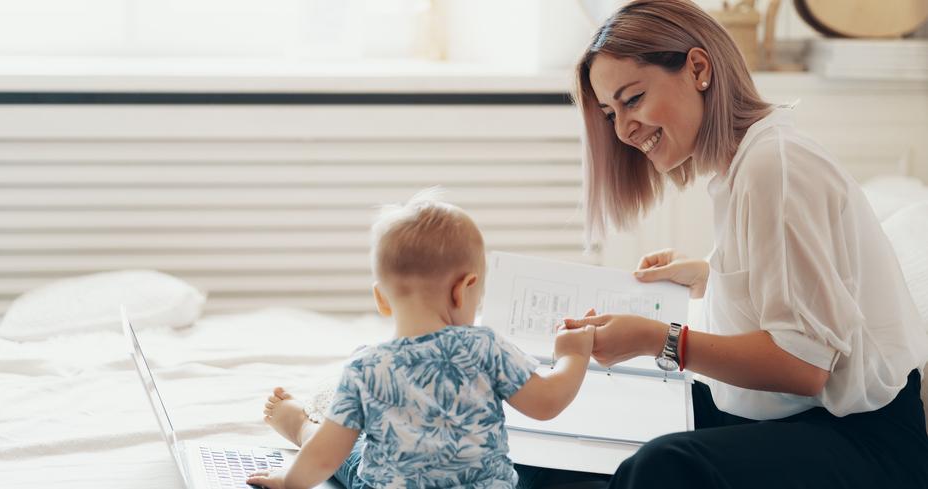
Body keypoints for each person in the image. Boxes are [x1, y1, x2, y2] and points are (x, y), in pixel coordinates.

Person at [559, 0, 928, 488]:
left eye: (632, 100)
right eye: (610, 113)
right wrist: (709, 277)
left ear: (697, 68)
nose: (623, 129)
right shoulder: (744, 165)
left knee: (661, 465)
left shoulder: (775, 168)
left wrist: (658, 338)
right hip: (797, 417)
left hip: (862, 441)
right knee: (579, 428)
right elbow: (802, 291)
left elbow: (803, 364)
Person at [244, 189, 597, 489]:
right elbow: (547, 402)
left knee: (348, 449)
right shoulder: (487, 347)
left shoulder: (365, 367)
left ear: (381, 298)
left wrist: (286, 481)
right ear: (464, 289)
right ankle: (306, 426)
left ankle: (305, 427)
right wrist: (574, 356)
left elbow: (324, 458)